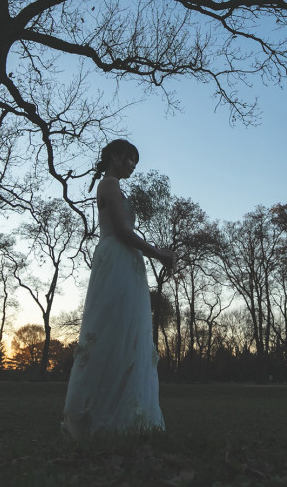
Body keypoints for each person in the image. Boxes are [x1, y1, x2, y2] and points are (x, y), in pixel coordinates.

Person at [62, 139, 176, 439]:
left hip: (127, 263)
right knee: (110, 330)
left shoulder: (116, 187)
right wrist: (159, 253)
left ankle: (124, 415)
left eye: (135, 163)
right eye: (128, 160)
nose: (132, 166)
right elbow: (124, 232)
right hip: (116, 258)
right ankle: (97, 415)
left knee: (129, 333)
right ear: (114, 156)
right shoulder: (109, 185)